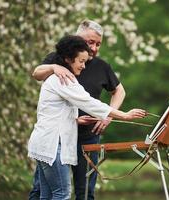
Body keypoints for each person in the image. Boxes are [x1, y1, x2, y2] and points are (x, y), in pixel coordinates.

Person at [28, 35, 146, 200]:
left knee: (46, 195)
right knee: (62, 194)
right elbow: (90, 103)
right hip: (52, 144)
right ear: (68, 59)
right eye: (81, 61)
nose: (84, 66)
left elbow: (52, 112)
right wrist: (124, 115)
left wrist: (76, 120)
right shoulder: (64, 80)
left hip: (44, 142)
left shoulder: (57, 79)